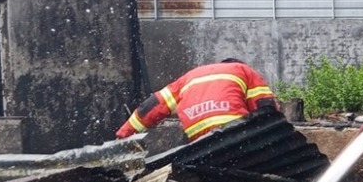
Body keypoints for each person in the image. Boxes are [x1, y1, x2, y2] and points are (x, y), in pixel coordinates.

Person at [115, 59, 275, 141]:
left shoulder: (190, 76)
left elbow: (152, 106)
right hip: (235, 131)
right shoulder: (243, 70)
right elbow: (264, 105)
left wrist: (124, 134)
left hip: (198, 137)